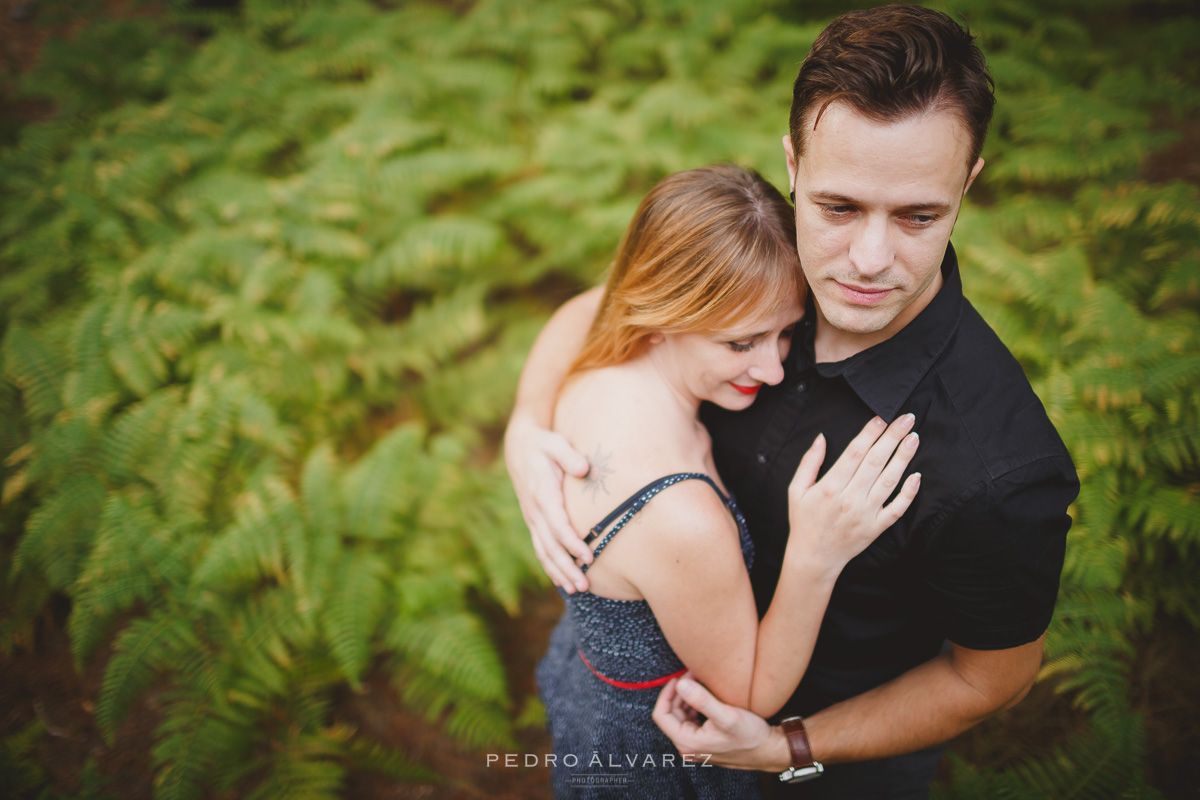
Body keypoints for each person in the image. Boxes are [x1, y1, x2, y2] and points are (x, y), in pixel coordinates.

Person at [506, 5, 1080, 798]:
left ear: (967, 182)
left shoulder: (998, 468)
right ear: (794, 166)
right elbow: (605, 305)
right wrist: (526, 425)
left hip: (832, 767)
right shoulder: (765, 263)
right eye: (839, 207)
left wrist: (788, 748)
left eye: (919, 216)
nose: (870, 262)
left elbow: (991, 680)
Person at [532, 164, 922, 798]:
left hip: (588, 685)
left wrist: (522, 425)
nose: (772, 368)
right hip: (650, 753)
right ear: (661, 310)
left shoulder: (596, 369)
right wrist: (815, 555)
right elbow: (744, 694)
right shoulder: (679, 516)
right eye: (741, 343)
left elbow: (583, 309)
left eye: (786, 332)